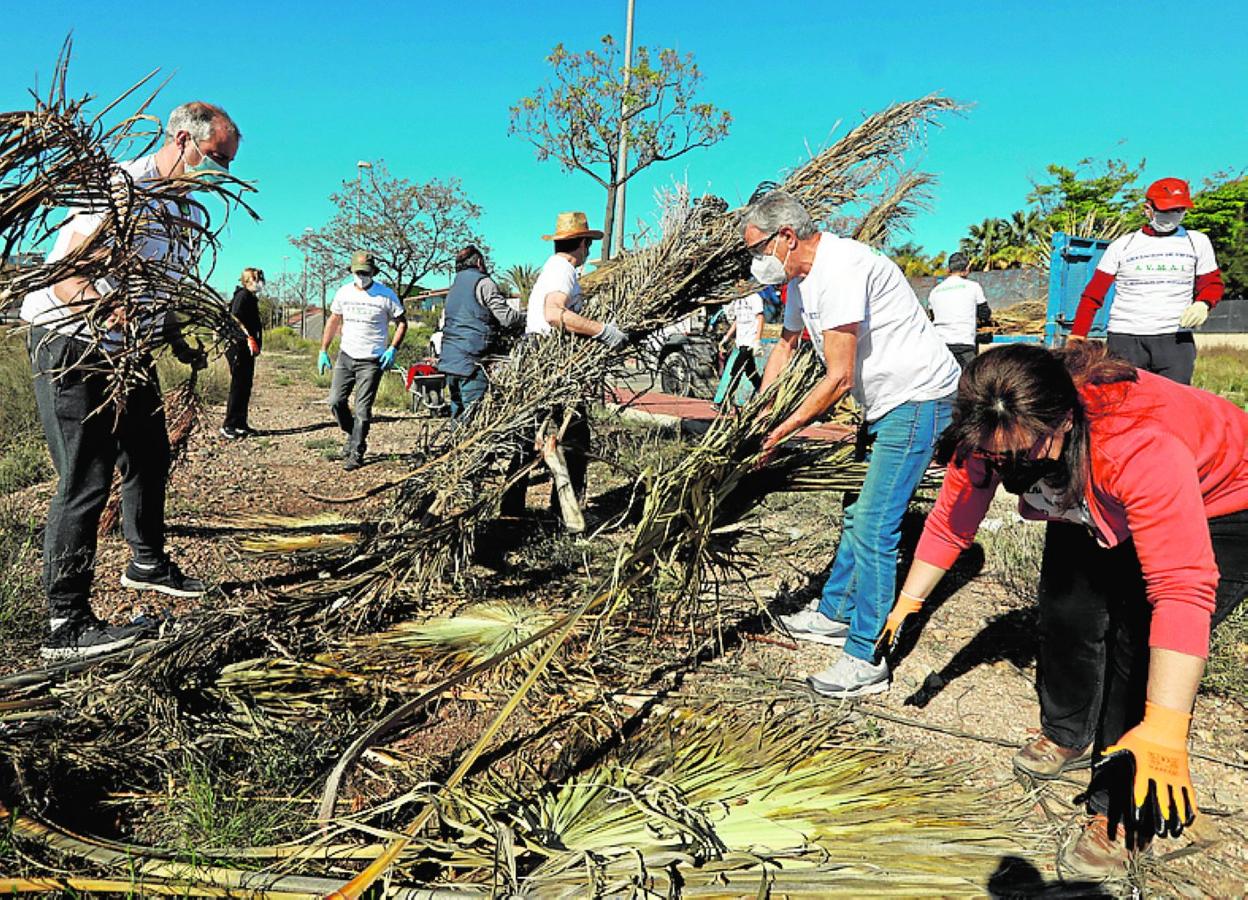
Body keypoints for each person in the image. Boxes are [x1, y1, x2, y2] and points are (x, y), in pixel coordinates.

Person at [881, 342, 1247, 879]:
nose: (1009, 467)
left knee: (1137, 640)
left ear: (1065, 419)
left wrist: (1167, 728)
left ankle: (1118, 814)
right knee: (1067, 608)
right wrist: (908, 603)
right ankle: (1068, 732)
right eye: (999, 456)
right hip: (1091, 487)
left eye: (1024, 453)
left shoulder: (1134, 443)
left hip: (1224, 499)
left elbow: (1181, 589)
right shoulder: (993, 422)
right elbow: (951, 522)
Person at [21, 101, 240, 660]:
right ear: (184, 141)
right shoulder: (122, 188)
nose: (221, 173)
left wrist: (176, 338)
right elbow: (66, 273)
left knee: (148, 453)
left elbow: (158, 292)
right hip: (70, 342)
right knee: (86, 477)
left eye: (228, 164)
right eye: (217, 158)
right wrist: (102, 308)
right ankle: (65, 622)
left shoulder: (188, 213)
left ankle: (146, 562)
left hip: (129, 349)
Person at [742, 191, 962, 698]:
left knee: (875, 523)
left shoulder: (842, 269)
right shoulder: (800, 277)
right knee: (854, 510)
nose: (755, 262)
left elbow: (838, 377)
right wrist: (759, 411)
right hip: (883, 401)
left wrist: (781, 430)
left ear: (787, 237)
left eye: (757, 250)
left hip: (917, 399)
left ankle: (867, 657)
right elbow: (787, 345)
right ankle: (834, 612)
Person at [500, 211, 626, 522]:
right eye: (589, 244)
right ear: (582, 243)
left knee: (526, 436)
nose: (589, 250)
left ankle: (512, 511)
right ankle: (566, 515)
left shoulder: (553, 268)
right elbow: (555, 313)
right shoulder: (562, 270)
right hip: (547, 358)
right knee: (574, 439)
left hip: (535, 354)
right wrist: (602, 330)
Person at [1069, 177, 1224, 385]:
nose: (1173, 216)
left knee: (1174, 405)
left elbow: (1212, 283)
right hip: (1126, 338)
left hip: (1174, 340)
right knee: (1125, 404)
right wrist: (1078, 336)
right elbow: (1093, 294)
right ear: (1147, 209)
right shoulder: (1123, 245)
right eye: (1166, 210)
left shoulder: (1196, 242)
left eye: (1179, 210)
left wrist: (1204, 303)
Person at [318, 251, 407, 471]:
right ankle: (351, 434)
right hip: (346, 355)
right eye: (358, 272)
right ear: (351, 272)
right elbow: (334, 320)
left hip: (371, 360)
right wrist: (323, 350)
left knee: (362, 409)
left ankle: (356, 451)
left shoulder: (385, 295)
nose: (361, 276)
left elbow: (402, 322)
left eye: (365, 272)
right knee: (335, 401)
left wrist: (392, 349)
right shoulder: (343, 293)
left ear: (373, 272)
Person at [437, 245, 523, 419]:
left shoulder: (454, 287)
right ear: (479, 262)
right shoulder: (484, 283)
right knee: (474, 419)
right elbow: (506, 318)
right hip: (472, 362)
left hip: (450, 361)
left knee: (458, 415)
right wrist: (526, 318)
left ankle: (457, 446)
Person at [927, 251, 991, 370]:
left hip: (941, 348)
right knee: (971, 383)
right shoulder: (973, 286)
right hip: (964, 345)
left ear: (948, 270)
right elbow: (985, 314)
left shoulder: (934, 291)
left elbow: (932, 317)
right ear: (967, 269)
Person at [221, 266, 264, 438]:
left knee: (245, 385)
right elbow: (235, 317)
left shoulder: (251, 298)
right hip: (238, 346)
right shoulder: (242, 296)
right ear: (248, 280)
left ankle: (241, 423)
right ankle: (229, 425)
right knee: (238, 385)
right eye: (258, 279)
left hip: (247, 348)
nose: (261, 282)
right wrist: (248, 337)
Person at [712, 285, 765, 407]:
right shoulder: (738, 300)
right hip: (741, 341)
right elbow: (737, 321)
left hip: (750, 341)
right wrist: (727, 337)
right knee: (751, 372)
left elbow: (760, 318)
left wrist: (757, 340)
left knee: (736, 371)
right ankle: (763, 391)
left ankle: (723, 403)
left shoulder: (754, 298)